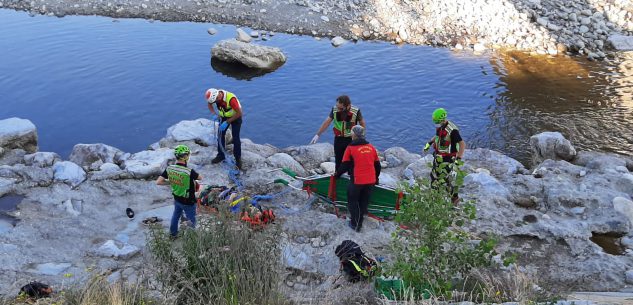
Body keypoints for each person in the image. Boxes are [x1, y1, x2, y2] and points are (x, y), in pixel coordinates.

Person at [334, 125, 380, 232]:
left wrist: (337, 175)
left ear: (354, 135)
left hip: (357, 180)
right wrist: (376, 178)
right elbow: (377, 165)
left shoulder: (350, 148)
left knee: (353, 201)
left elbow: (345, 165)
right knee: (364, 201)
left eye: (351, 132)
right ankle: (361, 220)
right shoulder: (371, 147)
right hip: (370, 181)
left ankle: (355, 224)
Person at [156, 145, 203, 238]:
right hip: (188, 201)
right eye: (188, 155)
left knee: (176, 216)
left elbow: (159, 182)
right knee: (191, 220)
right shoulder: (188, 171)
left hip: (177, 198)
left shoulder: (169, 168)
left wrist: (172, 181)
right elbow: (200, 177)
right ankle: (191, 239)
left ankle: (173, 234)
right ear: (185, 157)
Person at [309, 95, 366, 172]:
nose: (339, 109)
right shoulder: (335, 109)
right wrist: (318, 134)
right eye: (337, 106)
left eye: (341, 108)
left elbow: (362, 123)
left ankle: (351, 177)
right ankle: (338, 176)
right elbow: (327, 122)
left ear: (348, 106)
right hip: (338, 138)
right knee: (338, 159)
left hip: (351, 139)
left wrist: (361, 138)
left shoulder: (356, 111)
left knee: (351, 160)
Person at [423, 108, 465, 204]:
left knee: (448, 179)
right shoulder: (440, 127)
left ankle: (454, 199)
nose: (436, 124)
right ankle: (435, 197)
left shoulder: (453, 131)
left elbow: (462, 144)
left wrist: (458, 159)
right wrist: (429, 143)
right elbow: (438, 136)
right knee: (434, 176)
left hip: (448, 158)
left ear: (443, 120)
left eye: (437, 122)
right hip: (438, 156)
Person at [205, 88, 244, 170]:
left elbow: (239, 113)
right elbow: (209, 104)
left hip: (236, 117)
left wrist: (227, 122)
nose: (216, 102)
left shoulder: (231, 99)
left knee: (236, 138)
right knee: (220, 134)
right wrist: (214, 114)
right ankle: (221, 155)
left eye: (216, 100)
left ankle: (238, 159)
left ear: (218, 95)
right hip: (224, 117)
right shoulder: (214, 97)